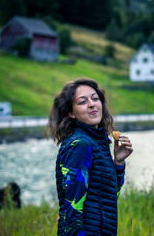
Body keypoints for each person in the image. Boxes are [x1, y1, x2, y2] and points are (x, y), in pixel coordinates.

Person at [46, 78, 133, 236]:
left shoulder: (98, 144)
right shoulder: (80, 145)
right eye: (82, 102)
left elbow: (109, 197)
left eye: (95, 98)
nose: (92, 104)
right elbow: (73, 206)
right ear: (71, 113)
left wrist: (118, 163)